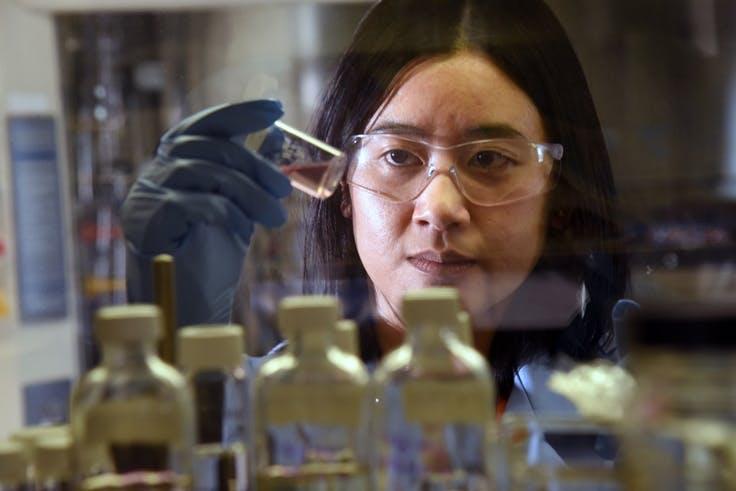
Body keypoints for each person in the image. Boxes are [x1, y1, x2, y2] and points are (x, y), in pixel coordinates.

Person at [122, 0, 629, 463]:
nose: (441, 208)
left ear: (559, 197)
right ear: (343, 187)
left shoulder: (619, 423)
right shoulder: (253, 411)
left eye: (489, 159)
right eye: (398, 156)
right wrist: (170, 348)